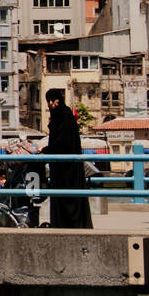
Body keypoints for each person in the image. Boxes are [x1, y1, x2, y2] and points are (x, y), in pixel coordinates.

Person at [44, 87, 92, 228]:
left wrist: (47, 150)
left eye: (53, 101)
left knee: (68, 196)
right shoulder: (60, 116)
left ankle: (70, 224)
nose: (51, 104)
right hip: (60, 166)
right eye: (49, 101)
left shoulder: (65, 117)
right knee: (62, 196)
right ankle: (61, 223)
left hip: (68, 167)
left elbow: (62, 142)